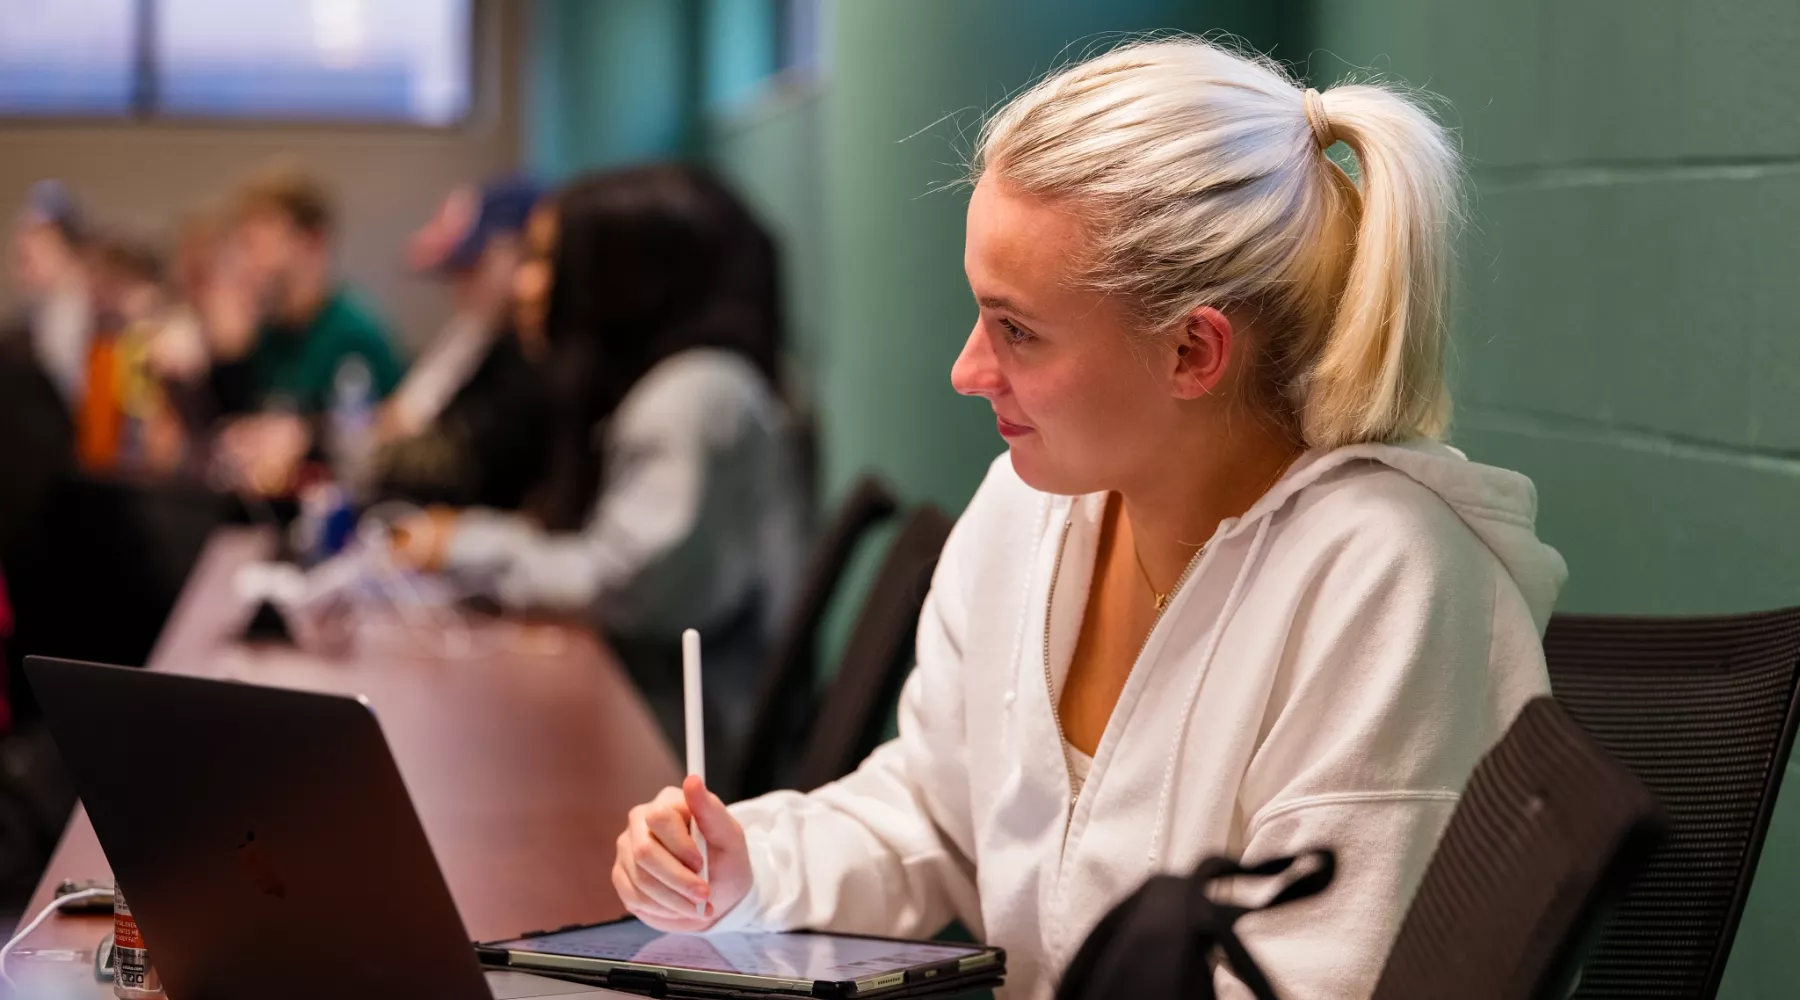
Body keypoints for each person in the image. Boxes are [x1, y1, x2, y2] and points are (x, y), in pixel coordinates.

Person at [611, 38, 1568, 1000]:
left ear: (1193, 351)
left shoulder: (1389, 581)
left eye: (1017, 330)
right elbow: (936, 812)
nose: (968, 371)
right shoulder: (1024, 510)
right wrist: (750, 866)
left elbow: (1320, 978)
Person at [394, 164, 809, 755]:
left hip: (685, 746)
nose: (524, 286)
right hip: (651, 720)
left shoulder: (693, 397)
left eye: (544, 259)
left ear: (626, 276)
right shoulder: (669, 386)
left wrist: (461, 547)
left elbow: (628, 589)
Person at [210, 162, 405, 496]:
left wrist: (307, 436)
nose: (247, 258)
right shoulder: (263, 335)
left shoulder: (354, 333)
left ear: (313, 241)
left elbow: (391, 433)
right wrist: (229, 357)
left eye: (259, 239)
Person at [372, 176, 552, 509]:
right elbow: (394, 422)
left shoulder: (543, 358)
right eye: (451, 272)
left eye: (470, 266)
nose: (458, 289)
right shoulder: (476, 333)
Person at [3, 180, 93, 412]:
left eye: (27, 257)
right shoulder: (26, 325)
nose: (18, 271)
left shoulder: (102, 319)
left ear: (68, 247)